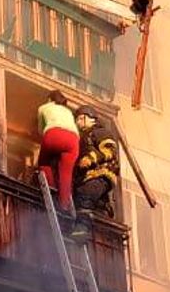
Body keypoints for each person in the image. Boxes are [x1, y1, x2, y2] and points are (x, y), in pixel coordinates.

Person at [71, 105, 121, 237]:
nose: (78, 122)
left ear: (90, 118)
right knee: (95, 203)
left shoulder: (100, 132)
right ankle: (103, 214)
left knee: (85, 195)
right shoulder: (85, 136)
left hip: (101, 174)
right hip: (90, 176)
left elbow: (110, 151)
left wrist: (91, 159)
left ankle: (82, 229)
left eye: (80, 119)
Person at [37, 90, 80, 212]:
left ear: (50, 99)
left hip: (53, 134)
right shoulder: (68, 111)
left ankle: (51, 189)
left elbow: (40, 131)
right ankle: (64, 204)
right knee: (66, 173)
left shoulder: (43, 108)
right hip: (73, 140)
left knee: (44, 163)